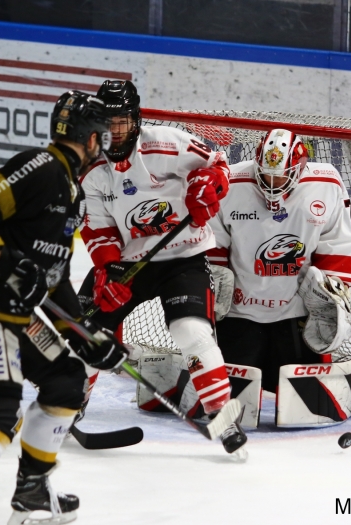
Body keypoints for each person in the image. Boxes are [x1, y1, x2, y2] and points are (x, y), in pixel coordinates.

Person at [0, 90, 128, 525]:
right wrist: (7, 260)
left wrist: (85, 333)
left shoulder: (71, 192)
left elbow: (52, 279)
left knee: (66, 379)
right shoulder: (41, 167)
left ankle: (33, 492)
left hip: (12, 315)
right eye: (101, 135)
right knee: (0, 410)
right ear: (91, 139)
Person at [77, 80, 247, 453]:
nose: (114, 131)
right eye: (107, 122)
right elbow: (98, 228)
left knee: (191, 332)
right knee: (86, 332)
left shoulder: (166, 143)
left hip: (183, 258)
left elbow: (218, 164)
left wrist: (210, 185)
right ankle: (70, 402)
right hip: (127, 264)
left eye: (121, 121)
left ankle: (223, 415)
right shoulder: (90, 166)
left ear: (136, 120)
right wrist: (106, 270)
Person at [207, 129, 351, 409]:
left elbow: (338, 243)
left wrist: (333, 288)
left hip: (296, 314)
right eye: (267, 174)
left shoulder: (326, 184)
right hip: (241, 312)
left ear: (299, 168)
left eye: (281, 175)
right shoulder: (231, 182)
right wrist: (213, 282)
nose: (273, 182)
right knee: (227, 402)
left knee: (309, 404)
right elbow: (211, 241)